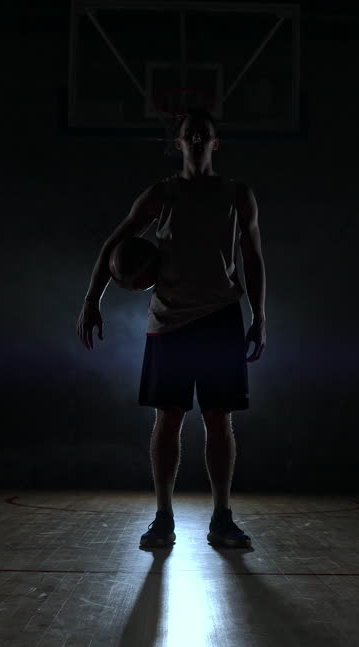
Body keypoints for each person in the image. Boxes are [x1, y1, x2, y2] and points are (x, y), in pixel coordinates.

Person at [75, 107, 267, 550]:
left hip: (220, 317)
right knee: (168, 419)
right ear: (178, 143)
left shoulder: (238, 194)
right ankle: (163, 518)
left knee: (220, 421)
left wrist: (260, 315)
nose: (197, 140)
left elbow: (253, 259)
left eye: (204, 135)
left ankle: (222, 518)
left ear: (215, 143)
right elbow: (114, 243)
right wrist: (92, 298)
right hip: (169, 321)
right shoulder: (162, 194)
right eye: (189, 135)